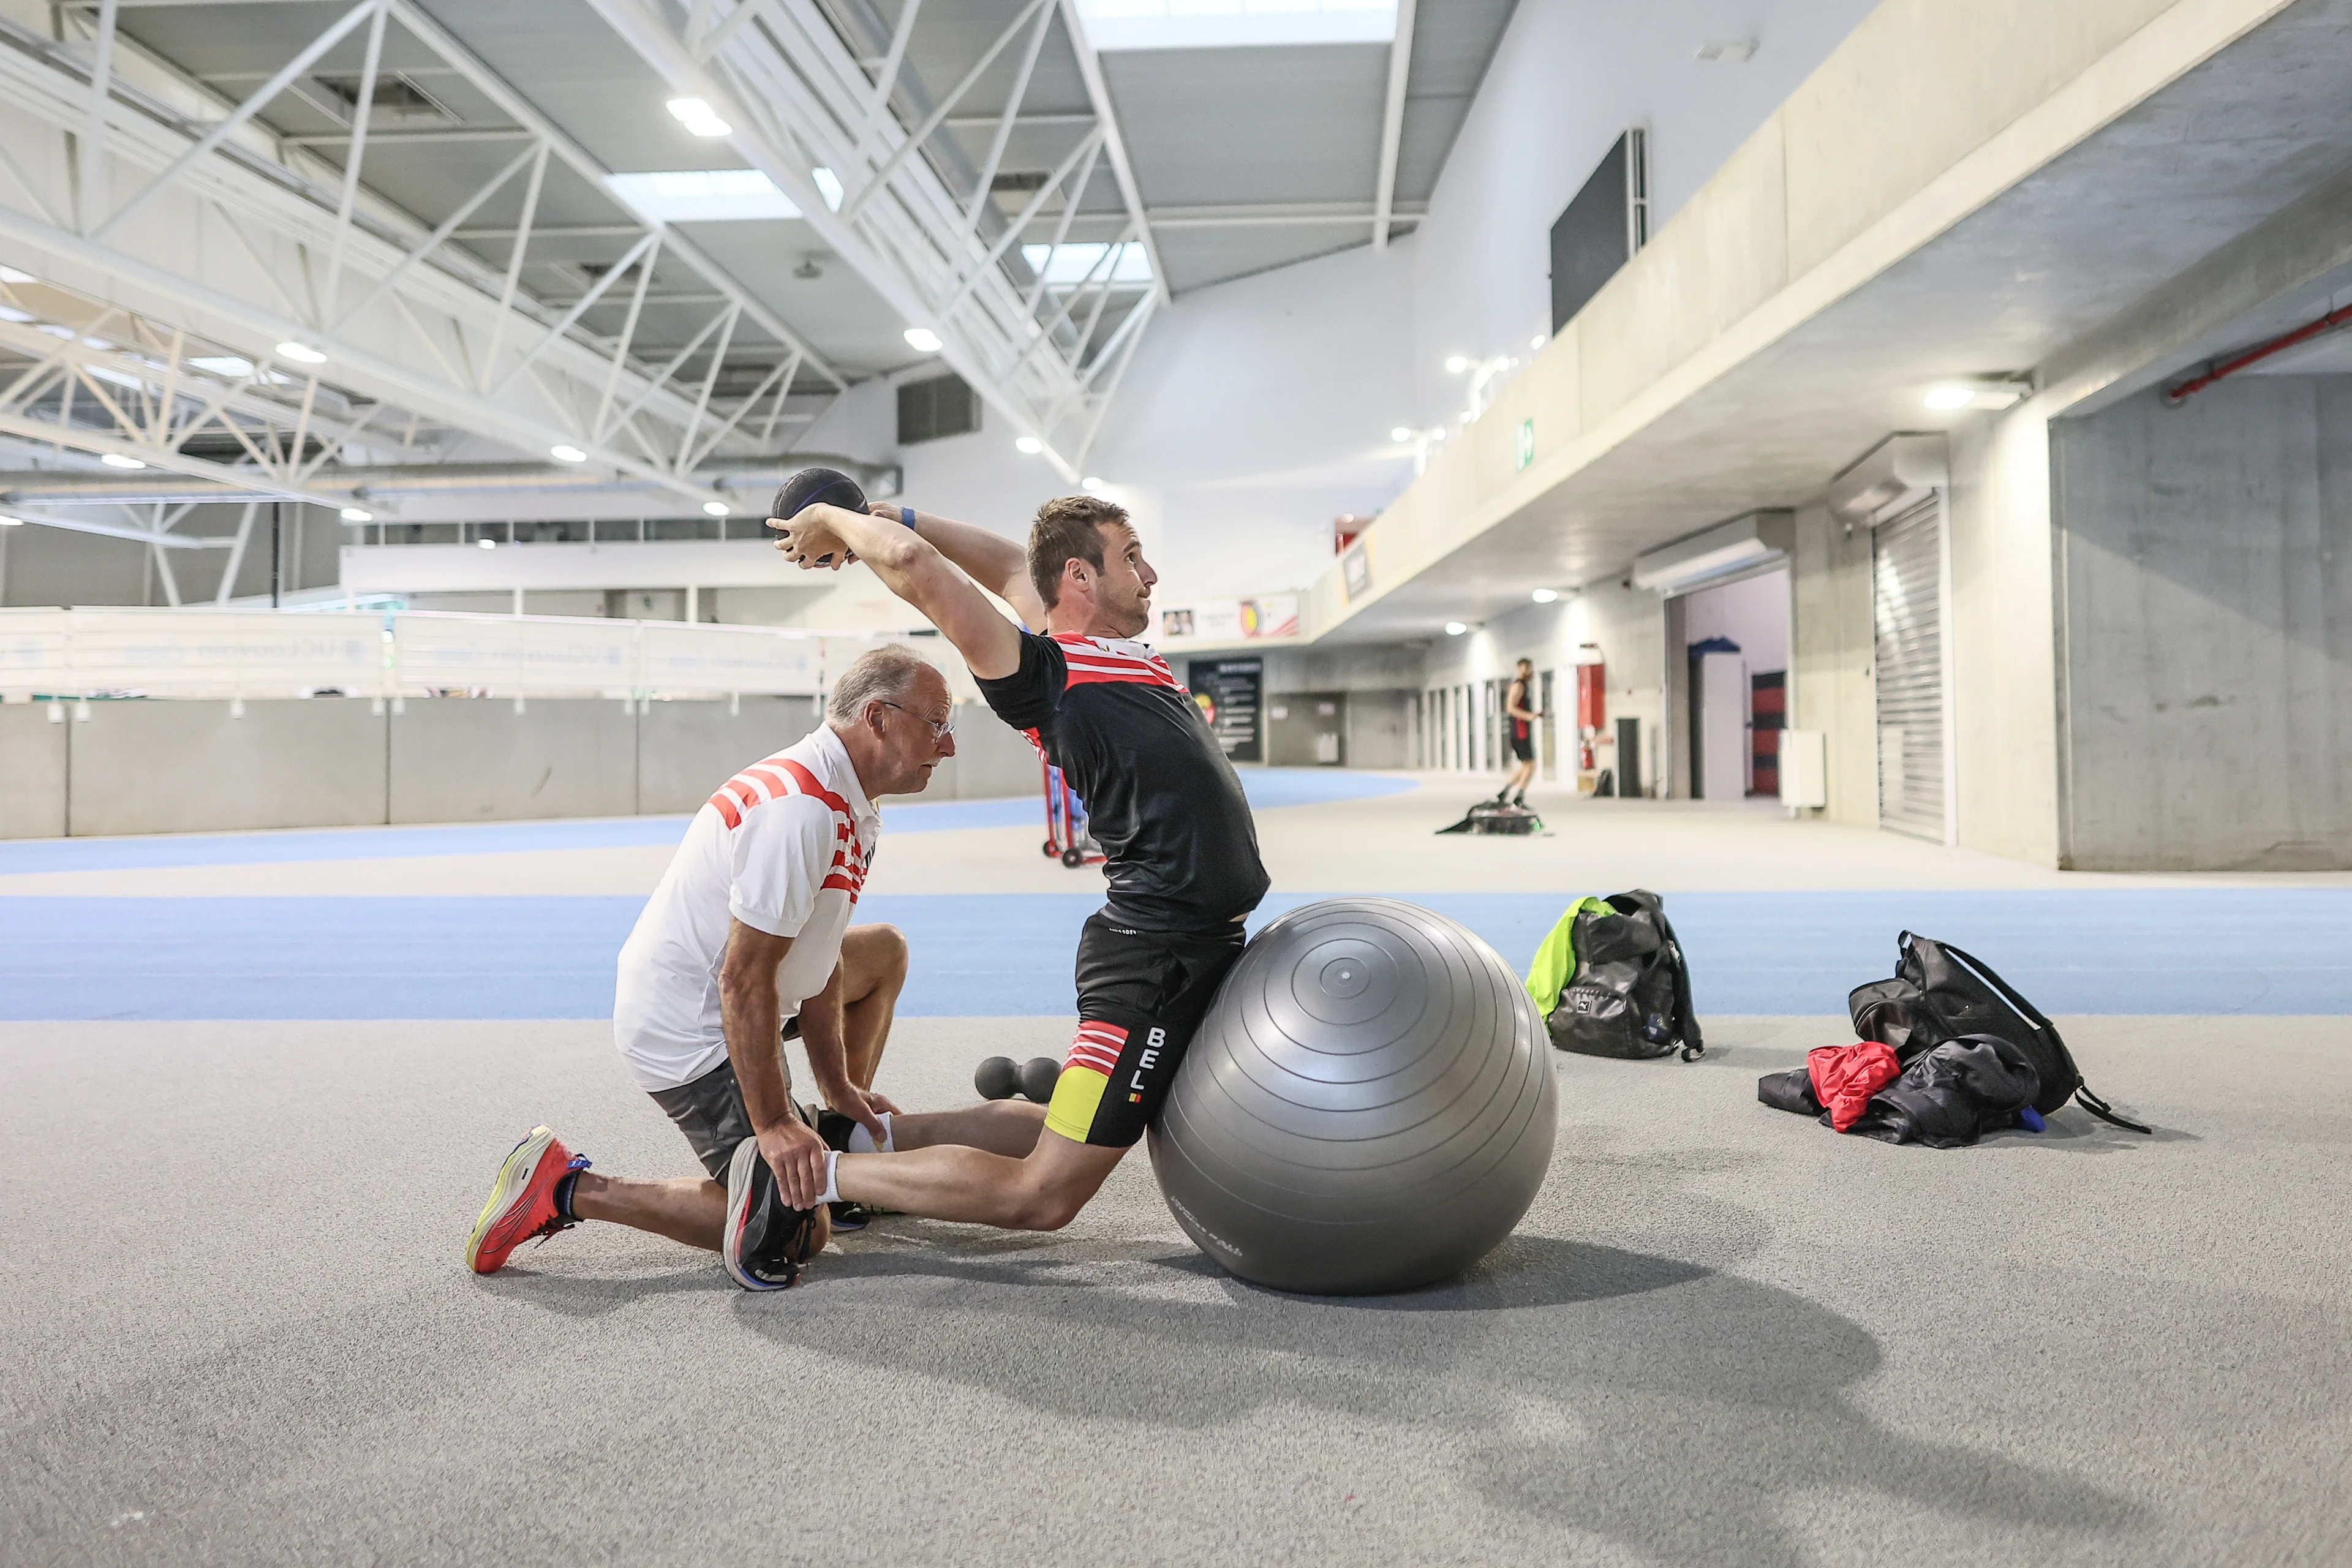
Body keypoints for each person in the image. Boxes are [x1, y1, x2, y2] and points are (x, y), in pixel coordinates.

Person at [763, 491, 1269, 1250]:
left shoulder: (1118, 647)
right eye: (1132, 557)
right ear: (1080, 577)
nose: (1151, 573)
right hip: (1155, 953)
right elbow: (911, 567)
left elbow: (1004, 563)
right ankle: (811, 1176)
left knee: (1060, 1122)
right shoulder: (1044, 673)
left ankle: (867, 1138)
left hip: (1203, 943)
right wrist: (834, 518)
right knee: (1046, 1191)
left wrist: (896, 509)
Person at [463, 645, 1050, 1291]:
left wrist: (840, 1089)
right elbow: (741, 979)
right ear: (878, 718)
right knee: (803, 1231)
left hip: (752, 993)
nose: (949, 747)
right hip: (691, 1025)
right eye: (937, 725)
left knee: (882, 950)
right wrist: (772, 1125)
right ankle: (566, 1187)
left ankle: (828, 1135)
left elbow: (821, 956)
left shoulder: (851, 798)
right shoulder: (799, 810)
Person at [1498, 658, 1539, 807]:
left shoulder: (1525, 686)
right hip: (1520, 731)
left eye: (1529, 668)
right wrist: (1528, 716)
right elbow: (1510, 708)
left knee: (1526, 765)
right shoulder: (1519, 686)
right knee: (1530, 764)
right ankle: (1519, 797)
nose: (1527, 671)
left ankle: (1505, 792)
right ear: (1519, 669)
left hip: (1522, 730)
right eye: (1525, 668)